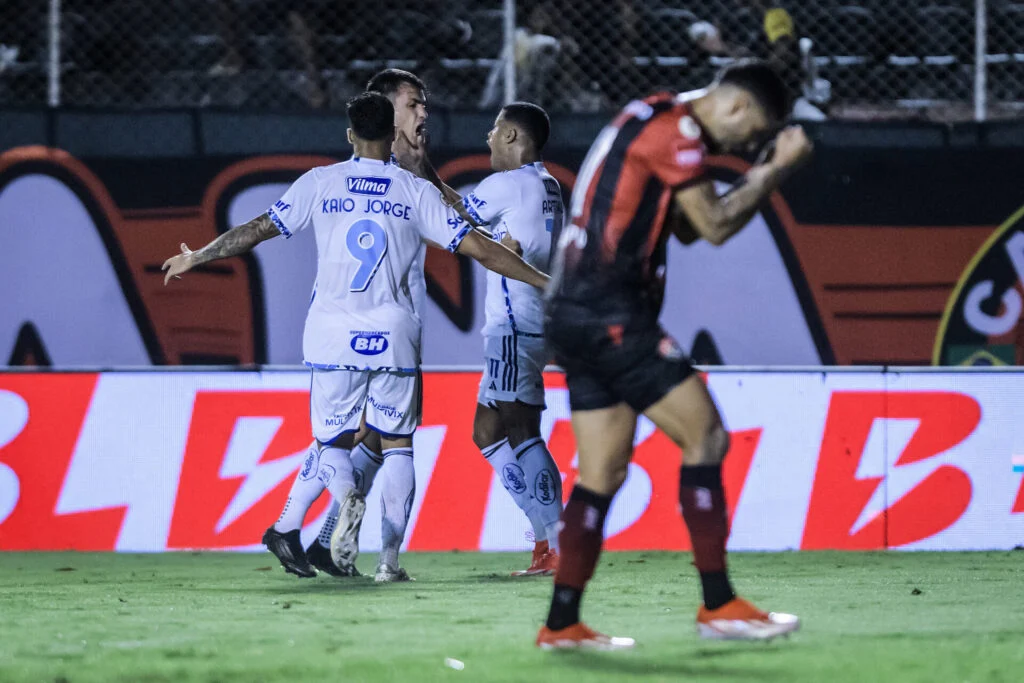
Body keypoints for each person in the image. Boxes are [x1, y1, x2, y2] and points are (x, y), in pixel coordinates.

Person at [162, 92, 550, 583]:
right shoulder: (414, 192)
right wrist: (541, 280)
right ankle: (388, 563)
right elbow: (482, 249)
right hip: (393, 334)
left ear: (349, 135)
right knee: (399, 446)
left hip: (331, 335)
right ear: (393, 135)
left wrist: (198, 255)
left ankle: (346, 496)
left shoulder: (321, 183)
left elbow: (258, 228)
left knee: (331, 444)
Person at [535, 60, 813, 649]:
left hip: (572, 311)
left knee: (602, 473)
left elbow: (684, 228)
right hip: (611, 312)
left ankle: (561, 623)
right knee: (706, 437)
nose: (747, 144)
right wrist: (776, 170)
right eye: (753, 131)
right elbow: (711, 226)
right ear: (736, 106)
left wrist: (759, 170)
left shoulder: (653, 114)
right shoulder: (679, 132)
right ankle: (719, 605)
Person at [462, 102, 564, 576]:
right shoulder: (546, 185)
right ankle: (544, 534)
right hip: (534, 323)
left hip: (511, 324)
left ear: (511, 136)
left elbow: (454, 222)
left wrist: (419, 177)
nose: (487, 137)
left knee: (522, 431)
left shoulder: (502, 185)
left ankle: (557, 542)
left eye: (494, 130)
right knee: (486, 432)